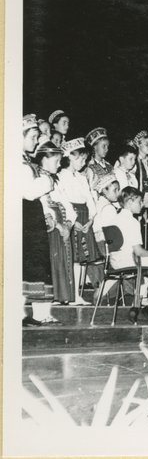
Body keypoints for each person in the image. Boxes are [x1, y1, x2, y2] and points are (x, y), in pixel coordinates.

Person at [108, 187, 148, 319]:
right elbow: (138, 252)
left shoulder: (114, 219)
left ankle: (137, 302)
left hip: (115, 262)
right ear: (130, 202)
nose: (142, 204)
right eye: (139, 201)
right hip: (130, 261)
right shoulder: (132, 222)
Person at [22, 115, 57, 326]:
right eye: (33, 137)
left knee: (36, 263)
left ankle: (35, 313)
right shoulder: (17, 163)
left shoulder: (27, 161)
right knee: (29, 263)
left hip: (32, 217)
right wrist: (47, 180)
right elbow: (28, 192)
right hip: (24, 217)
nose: (36, 142)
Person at [58, 137, 101, 305]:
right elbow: (63, 200)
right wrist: (71, 221)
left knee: (82, 259)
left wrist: (90, 219)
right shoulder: (61, 176)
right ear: (70, 157)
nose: (84, 163)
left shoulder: (82, 177)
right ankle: (71, 295)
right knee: (72, 258)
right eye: (81, 159)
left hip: (84, 217)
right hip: (71, 218)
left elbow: (90, 199)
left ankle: (77, 294)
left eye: (85, 159)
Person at [34, 141, 75, 307]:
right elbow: (43, 205)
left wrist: (68, 224)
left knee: (63, 261)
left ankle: (63, 295)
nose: (59, 165)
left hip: (63, 227)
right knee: (52, 261)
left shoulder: (56, 181)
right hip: (51, 229)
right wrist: (57, 225)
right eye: (56, 161)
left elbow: (68, 205)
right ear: (44, 159)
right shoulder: (38, 179)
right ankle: (53, 296)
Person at [84, 127, 113, 199]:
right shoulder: (90, 168)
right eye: (104, 146)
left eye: (107, 146)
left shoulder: (109, 166)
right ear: (94, 147)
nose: (107, 149)